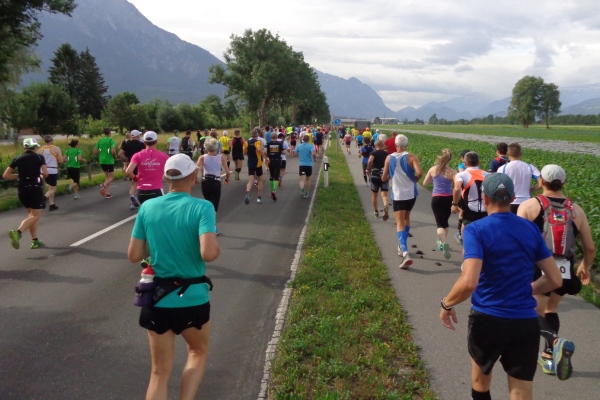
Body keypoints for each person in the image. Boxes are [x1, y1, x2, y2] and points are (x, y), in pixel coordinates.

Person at [439, 173, 562, 400]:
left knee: (481, 382)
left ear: (485, 198)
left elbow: (469, 281)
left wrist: (446, 304)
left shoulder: (475, 230)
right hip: (524, 322)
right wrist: (527, 290)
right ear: (513, 198)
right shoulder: (530, 229)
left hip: (487, 319)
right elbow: (555, 279)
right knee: (521, 392)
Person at [128, 153, 219, 400]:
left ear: (166, 178)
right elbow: (209, 253)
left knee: (159, 373)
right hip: (193, 299)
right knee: (197, 352)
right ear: (193, 176)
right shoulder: (203, 207)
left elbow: (134, 254)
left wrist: (158, 245)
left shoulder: (148, 207)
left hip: (157, 299)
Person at [517, 164, 596, 380]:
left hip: (538, 265)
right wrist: (584, 266)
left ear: (541, 181)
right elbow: (590, 248)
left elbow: (519, 241)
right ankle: (548, 355)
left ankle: (555, 342)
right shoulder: (576, 210)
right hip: (564, 267)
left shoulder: (529, 206)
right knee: (551, 308)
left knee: (533, 310)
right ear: (564, 183)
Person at [381, 134, 423, 269]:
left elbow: (384, 178)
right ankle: (402, 246)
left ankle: (405, 253)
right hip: (411, 193)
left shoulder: (389, 158)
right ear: (407, 145)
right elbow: (420, 172)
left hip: (398, 194)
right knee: (407, 218)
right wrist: (415, 180)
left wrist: (389, 176)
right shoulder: (412, 157)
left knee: (399, 223)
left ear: (396, 145)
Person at [4, 138, 49, 249]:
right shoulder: (39, 157)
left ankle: (35, 240)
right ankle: (18, 232)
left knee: (31, 216)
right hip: (35, 188)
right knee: (36, 216)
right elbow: (46, 174)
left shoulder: (17, 158)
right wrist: (40, 176)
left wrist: (20, 176)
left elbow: (6, 175)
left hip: (22, 189)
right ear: (35, 146)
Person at [423, 149, 456, 259]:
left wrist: (433, 180)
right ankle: (442, 242)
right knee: (445, 222)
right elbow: (458, 186)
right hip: (449, 198)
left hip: (437, 198)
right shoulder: (452, 172)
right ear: (450, 159)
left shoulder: (433, 169)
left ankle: (444, 242)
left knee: (439, 224)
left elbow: (425, 183)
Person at [452, 152, 488, 241]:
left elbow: (457, 189)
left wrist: (455, 204)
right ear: (479, 163)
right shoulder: (488, 174)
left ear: (465, 164)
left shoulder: (461, 175)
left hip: (469, 208)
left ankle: (466, 244)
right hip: (486, 208)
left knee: (466, 227)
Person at [196, 137, 230, 234]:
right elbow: (228, 172)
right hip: (216, 182)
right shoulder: (221, 157)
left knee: (207, 203)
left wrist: (194, 179)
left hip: (205, 182)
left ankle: (206, 225)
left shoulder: (202, 157)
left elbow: (196, 169)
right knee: (214, 206)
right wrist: (226, 179)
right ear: (216, 147)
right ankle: (212, 227)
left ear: (206, 147)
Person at [126, 131, 169, 205]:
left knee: (143, 210)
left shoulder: (137, 155)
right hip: (156, 189)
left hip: (141, 190)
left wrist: (135, 178)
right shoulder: (164, 156)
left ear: (144, 142)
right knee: (158, 211)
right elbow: (171, 170)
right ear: (156, 142)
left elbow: (128, 171)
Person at [497, 143, 541, 214]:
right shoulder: (530, 167)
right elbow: (541, 183)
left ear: (508, 154)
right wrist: (530, 190)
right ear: (521, 154)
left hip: (510, 202)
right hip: (526, 201)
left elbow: (498, 186)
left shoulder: (502, 169)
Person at [119, 130, 146, 209]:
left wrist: (126, 159)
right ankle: (138, 199)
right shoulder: (141, 144)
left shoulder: (127, 144)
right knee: (141, 183)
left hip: (131, 165)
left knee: (133, 183)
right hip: (140, 165)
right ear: (137, 136)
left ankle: (133, 200)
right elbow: (144, 154)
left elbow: (120, 154)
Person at [366, 139, 389, 220]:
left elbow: (370, 161)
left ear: (375, 146)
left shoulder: (373, 153)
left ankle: (376, 211)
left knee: (374, 195)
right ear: (382, 146)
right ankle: (385, 207)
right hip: (384, 176)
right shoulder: (387, 154)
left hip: (375, 176)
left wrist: (368, 169)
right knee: (384, 195)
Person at [38, 135, 63, 211]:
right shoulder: (56, 148)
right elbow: (61, 160)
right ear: (51, 140)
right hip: (52, 170)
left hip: (43, 170)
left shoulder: (40, 149)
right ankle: (43, 198)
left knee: (50, 188)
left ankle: (52, 204)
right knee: (53, 189)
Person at [265, 131, 290, 201]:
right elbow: (285, 152)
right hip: (278, 161)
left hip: (271, 161)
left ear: (271, 138)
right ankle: (274, 190)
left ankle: (271, 192)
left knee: (271, 176)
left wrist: (268, 155)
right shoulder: (280, 144)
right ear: (276, 137)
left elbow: (264, 151)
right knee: (276, 177)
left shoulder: (268, 144)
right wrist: (281, 152)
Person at [244, 127, 266, 204]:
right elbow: (259, 150)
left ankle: (247, 193)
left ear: (251, 135)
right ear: (257, 135)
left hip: (250, 163)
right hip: (258, 164)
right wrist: (265, 158)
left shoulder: (247, 142)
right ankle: (259, 197)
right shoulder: (258, 142)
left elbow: (244, 152)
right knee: (260, 180)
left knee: (250, 181)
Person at [94, 127, 117, 199]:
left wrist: (101, 152)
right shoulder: (111, 140)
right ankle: (103, 185)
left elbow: (95, 151)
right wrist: (115, 155)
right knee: (111, 177)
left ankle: (107, 193)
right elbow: (113, 151)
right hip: (109, 160)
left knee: (107, 177)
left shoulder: (100, 140)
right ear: (110, 132)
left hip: (102, 160)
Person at [454, 149, 471, 244]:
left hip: (463, 193)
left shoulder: (461, 165)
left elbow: (461, 174)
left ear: (462, 158)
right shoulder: (476, 166)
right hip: (472, 193)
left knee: (461, 214)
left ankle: (460, 234)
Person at [294, 134, 317, 199]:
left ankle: (302, 188)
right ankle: (307, 193)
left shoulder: (299, 146)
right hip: (308, 165)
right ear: (308, 140)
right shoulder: (311, 146)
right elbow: (313, 154)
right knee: (308, 179)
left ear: (302, 139)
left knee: (302, 179)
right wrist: (315, 159)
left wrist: (299, 154)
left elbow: (295, 154)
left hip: (302, 165)